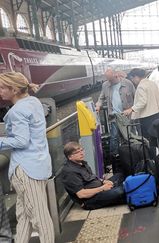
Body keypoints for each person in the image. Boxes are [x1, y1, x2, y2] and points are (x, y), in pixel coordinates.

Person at [0, 72, 55, 243]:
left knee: (40, 218)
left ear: (14, 89)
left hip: (26, 169)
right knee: (23, 216)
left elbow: (21, 141)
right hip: (39, 164)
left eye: (2, 87)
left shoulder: (17, 111)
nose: (0, 91)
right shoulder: (34, 102)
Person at [60, 142, 126, 210]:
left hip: (100, 187)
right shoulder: (69, 172)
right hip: (90, 200)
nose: (81, 153)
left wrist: (104, 181)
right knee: (119, 191)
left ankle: (115, 189)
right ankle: (117, 190)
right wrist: (102, 188)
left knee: (120, 175)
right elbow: (81, 194)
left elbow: (92, 177)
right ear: (70, 157)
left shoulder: (82, 163)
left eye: (81, 150)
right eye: (77, 152)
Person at [123, 68, 159, 158]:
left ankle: (151, 160)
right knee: (154, 139)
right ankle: (158, 158)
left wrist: (131, 109)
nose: (132, 81)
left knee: (148, 140)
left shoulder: (141, 86)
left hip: (147, 117)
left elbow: (142, 101)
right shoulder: (151, 83)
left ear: (137, 77)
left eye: (132, 78)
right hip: (156, 114)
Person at [96, 67, 136, 157]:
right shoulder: (105, 85)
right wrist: (98, 105)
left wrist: (133, 110)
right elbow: (101, 97)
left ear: (116, 75)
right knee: (114, 137)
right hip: (114, 116)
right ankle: (114, 157)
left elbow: (136, 97)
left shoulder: (128, 83)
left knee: (129, 136)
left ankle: (133, 154)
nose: (109, 81)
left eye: (110, 79)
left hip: (127, 115)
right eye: (107, 79)